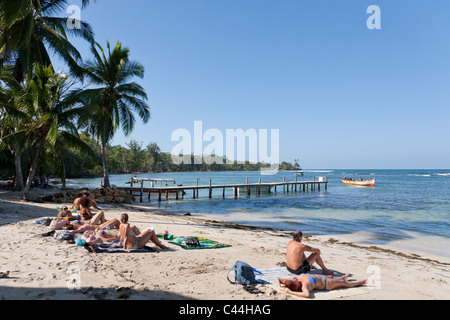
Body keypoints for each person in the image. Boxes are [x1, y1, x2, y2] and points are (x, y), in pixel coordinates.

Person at [276, 273, 368, 298]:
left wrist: (280, 287)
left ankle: (344, 277)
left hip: (323, 277)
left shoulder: (293, 281)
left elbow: (277, 279)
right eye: (294, 281)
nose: (294, 278)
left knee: (337, 278)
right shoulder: (304, 286)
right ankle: (361, 282)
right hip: (326, 284)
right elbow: (306, 295)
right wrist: (290, 292)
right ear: (296, 286)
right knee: (344, 284)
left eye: (293, 279)